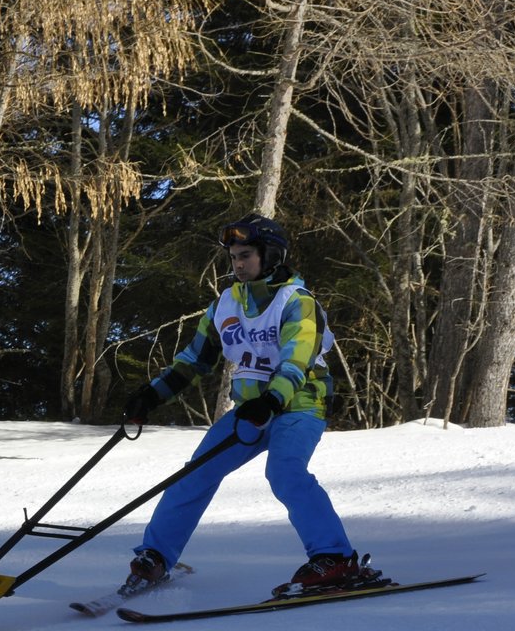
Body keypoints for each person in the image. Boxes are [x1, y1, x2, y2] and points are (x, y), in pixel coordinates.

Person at [122, 213, 368, 596]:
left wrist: (273, 399)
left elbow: (297, 359)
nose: (237, 264)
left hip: (300, 404)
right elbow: (195, 358)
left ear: (270, 254)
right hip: (252, 410)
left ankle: (335, 558)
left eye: (246, 255)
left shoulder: (296, 301)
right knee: (195, 473)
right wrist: (152, 395)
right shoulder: (227, 303)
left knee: (285, 472)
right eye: (234, 256)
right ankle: (155, 556)